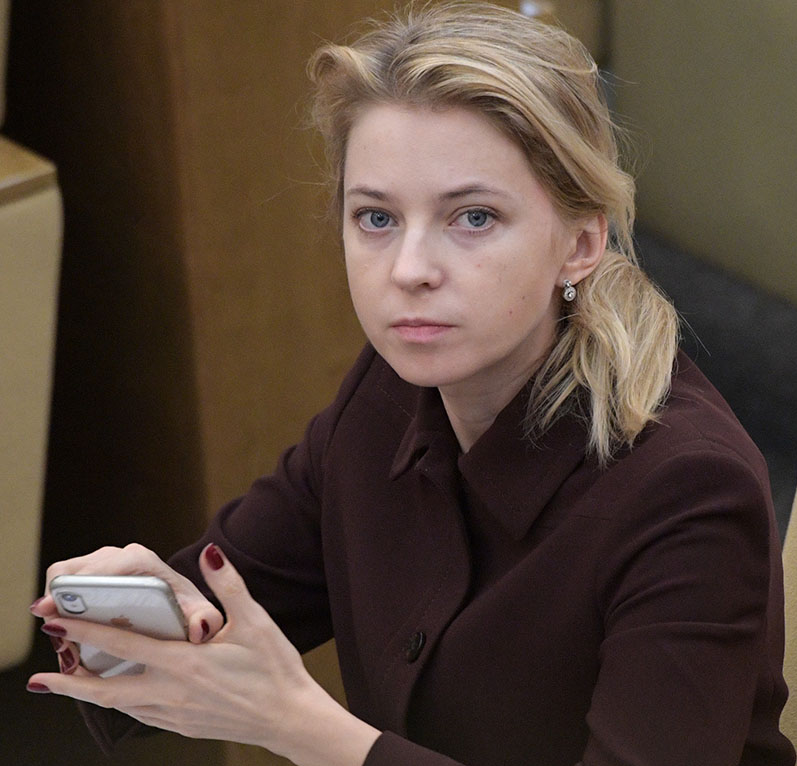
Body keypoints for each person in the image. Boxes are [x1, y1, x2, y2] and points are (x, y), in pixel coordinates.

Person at [26, 2, 795, 765]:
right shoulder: (391, 393)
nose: (409, 271)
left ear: (581, 242)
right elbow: (226, 602)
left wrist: (300, 727)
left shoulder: (688, 491)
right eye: (376, 218)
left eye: (473, 218)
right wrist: (128, 622)